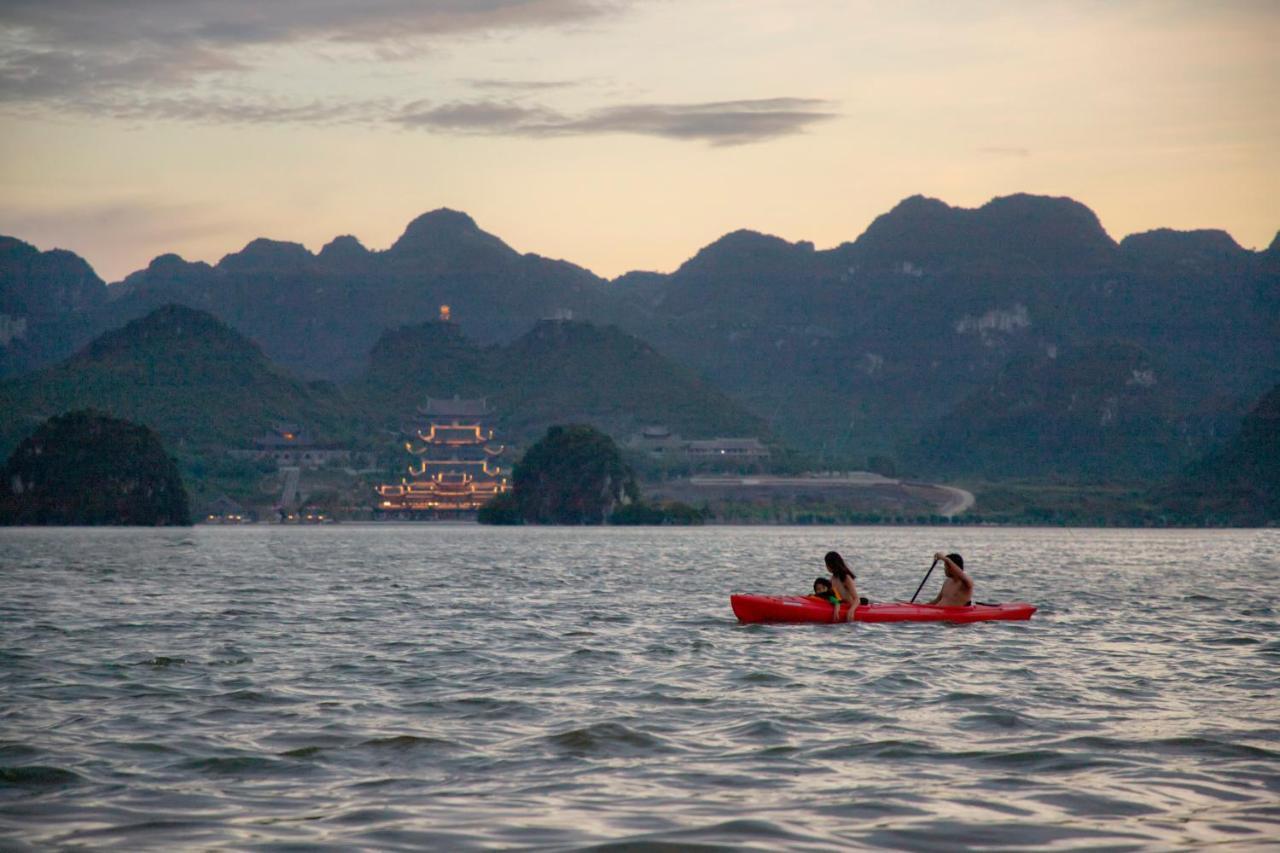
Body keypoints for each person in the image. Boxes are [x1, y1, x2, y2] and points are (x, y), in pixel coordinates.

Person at [823, 551, 865, 621]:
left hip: (853, 607)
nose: (826, 566)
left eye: (826, 564)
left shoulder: (846, 578)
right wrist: (837, 605)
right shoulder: (833, 579)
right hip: (843, 606)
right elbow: (837, 597)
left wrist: (851, 611)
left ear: (831, 564)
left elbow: (857, 599)